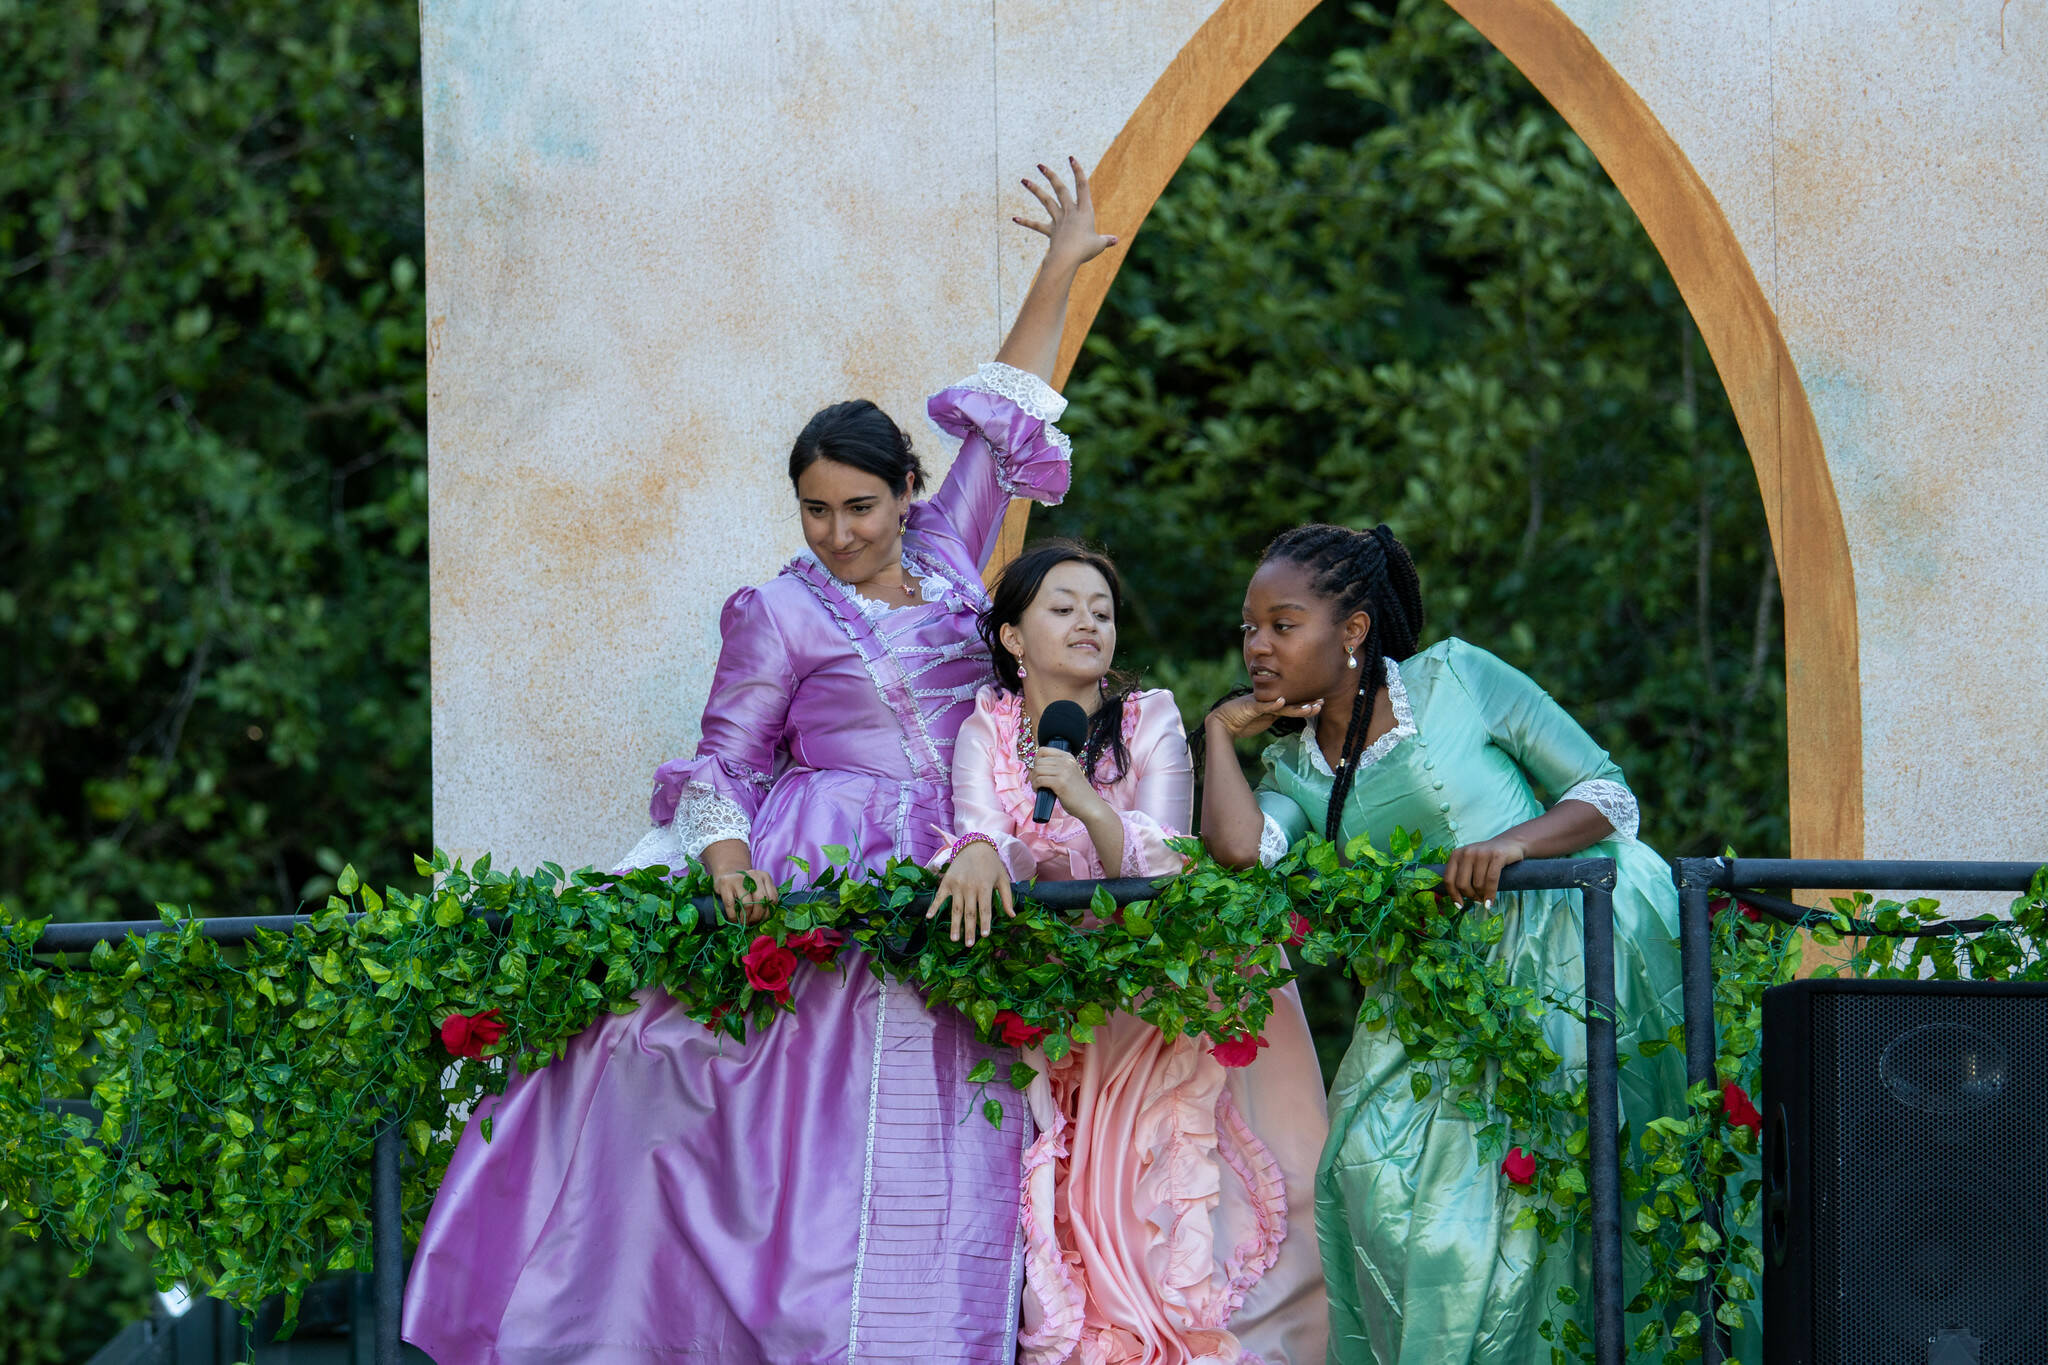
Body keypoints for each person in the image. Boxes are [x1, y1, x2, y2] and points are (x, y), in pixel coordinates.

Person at [403, 159, 1117, 1365]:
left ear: (904, 493)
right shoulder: (773, 613)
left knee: (950, 1121)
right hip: (822, 867)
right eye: (813, 510)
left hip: (961, 854)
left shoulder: (953, 558)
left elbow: (1011, 407)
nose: (836, 532)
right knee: (782, 1140)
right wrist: (729, 864)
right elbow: (721, 760)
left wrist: (1057, 265)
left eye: (857, 505)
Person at [1197, 523, 1686, 1365]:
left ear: (1352, 630)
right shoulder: (1296, 768)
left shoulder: (1457, 675)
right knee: (1363, 1174)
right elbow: (1242, 850)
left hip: (1559, 961)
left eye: (1282, 624)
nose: (1259, 646)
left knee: (1548, 1208)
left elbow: (1608, 792)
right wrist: (1215, 732)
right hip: (1428, 992)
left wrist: (1516, 845)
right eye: (1249, 627)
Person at [932, 541, 1330, 1365]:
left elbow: (1169, 865)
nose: (1089, 623)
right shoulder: (985, 729)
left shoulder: (1150, 718)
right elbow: (988, 840)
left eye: (1103, 612)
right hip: (1058, 1011)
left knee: (1168, 1219)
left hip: (1156, 1002)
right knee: (1075, 1221)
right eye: (1064, 607)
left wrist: (1086, 805)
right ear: (1012, 636)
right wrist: (977, 849)